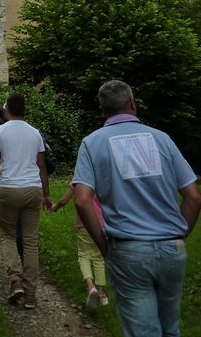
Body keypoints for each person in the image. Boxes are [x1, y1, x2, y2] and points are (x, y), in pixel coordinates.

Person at [73, 79, 201, 337]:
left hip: (128, 250)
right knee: (170, 329)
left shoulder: (92, 143)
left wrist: (104, 246)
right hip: (171, 248)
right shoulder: (162, 139)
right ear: (132, 103)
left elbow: (82, 200)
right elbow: (194, 198)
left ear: (102, 109)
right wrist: (177, 236)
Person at [0, 92, 53, 309]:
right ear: (25, 109)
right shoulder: (35, 133)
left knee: (7, 235)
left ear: (6, 110)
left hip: (9, 187)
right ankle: (31, 295)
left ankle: (16, 280)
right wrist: (46, 194)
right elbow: (41, 166)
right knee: (30, 241)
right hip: (33, 188)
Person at [52, 184, 108, 310]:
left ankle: (90, 286)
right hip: (102, 224)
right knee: (99, 257)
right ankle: (101, 294)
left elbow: (64, 200)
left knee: (84, 255)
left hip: (85, 223)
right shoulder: (103, 177)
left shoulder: (79, 178)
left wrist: (55, 207)